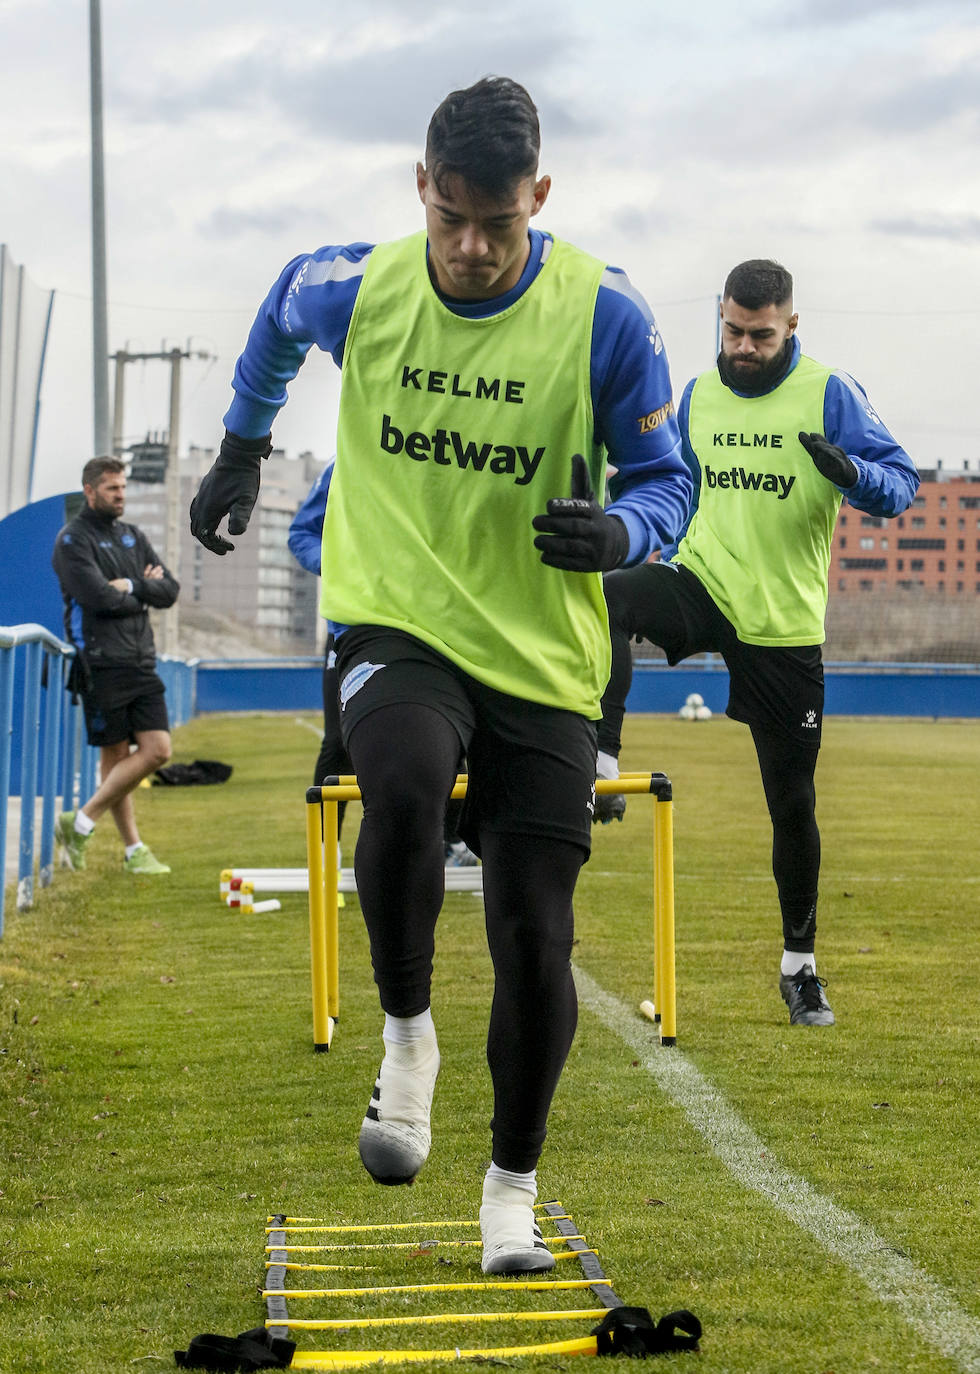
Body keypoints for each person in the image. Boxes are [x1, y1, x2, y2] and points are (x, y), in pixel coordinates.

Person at [190, 76, 691, 1273]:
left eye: (498, 224)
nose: (469, 249)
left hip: (541, 659)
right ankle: (405, 1036)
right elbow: (270, 320)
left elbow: (670, 484)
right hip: (393, 623)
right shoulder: (354, 284)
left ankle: (509, 1194)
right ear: (421, 188)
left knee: (535, 937)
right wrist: (240, 451)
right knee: (404, 787)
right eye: (450, 217)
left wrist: (622, 535)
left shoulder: (605, 316)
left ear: (542, 198)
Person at [596, 258, 919, 1027]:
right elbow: (669, 483)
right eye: (734, 330)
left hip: (783, 623)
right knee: (599, 595)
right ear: (721, 315)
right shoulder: (698, 397)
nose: (744, 346)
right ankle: (600, 754)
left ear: (791, 327)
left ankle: (800, 965)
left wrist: (852, 476)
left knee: (793, 805)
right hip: (701, 581)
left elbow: (899, 482)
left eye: (761, 334)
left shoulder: (829, 393)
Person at [288, 462, 478, 866]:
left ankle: (449, 842)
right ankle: (325, 850)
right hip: (357, 626)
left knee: (453, 736)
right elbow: (301, 534)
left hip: (437, 625)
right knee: (338, 743)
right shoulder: (343, 465)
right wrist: (341, 564)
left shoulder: (449, 457)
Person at [52, 456, 180, 875]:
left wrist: (133, 586)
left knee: (157, 750)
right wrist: (142, 593)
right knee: (116, 756)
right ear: (90, 491)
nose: (121, 494)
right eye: (112, 488)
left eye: (123, 487)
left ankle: (81, 820)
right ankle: (133, 851)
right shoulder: (72, 541)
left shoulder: (133, 536)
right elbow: (97, 599)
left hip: (141, 659)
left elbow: (170, 590)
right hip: (102, 662)